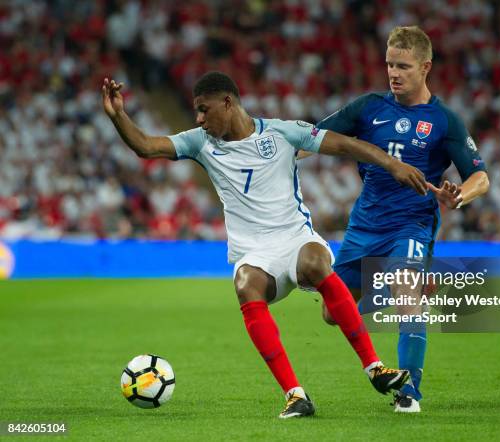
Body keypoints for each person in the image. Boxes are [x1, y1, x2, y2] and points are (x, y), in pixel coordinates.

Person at [101, 71, 429, 418]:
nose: (198, 119)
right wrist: (118, 115)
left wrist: (393, 164)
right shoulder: (200, 143)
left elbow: (346, 144)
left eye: (203, 110)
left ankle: (375, 369)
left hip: (295, 238)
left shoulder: (284, 132)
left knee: (317, 262)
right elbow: (146, 146)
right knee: (246, 285)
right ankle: (295, 395)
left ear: (227, 103)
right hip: (254, 254)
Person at [316, 26, 490, 413]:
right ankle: (402, 288)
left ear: (425, 67)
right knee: (332, 313)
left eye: (404, 66)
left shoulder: (444, 121)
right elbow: (314, 137)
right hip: (364, 226)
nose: (394, 73)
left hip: (411, 224)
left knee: (406, 295)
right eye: (390, 64)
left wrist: (458, 196)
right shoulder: (367, 107)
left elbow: (481, 176)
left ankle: (409, 393)